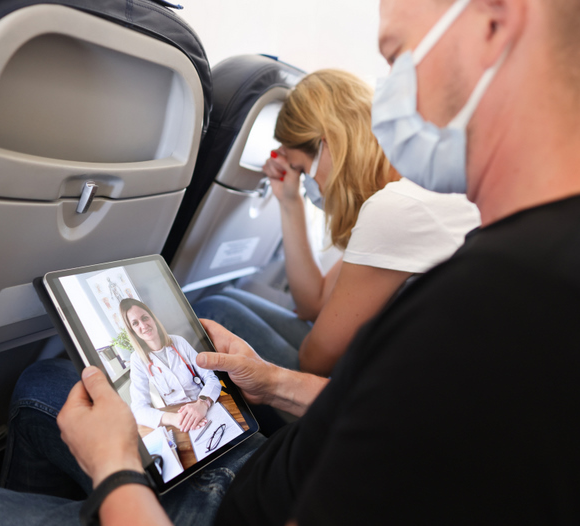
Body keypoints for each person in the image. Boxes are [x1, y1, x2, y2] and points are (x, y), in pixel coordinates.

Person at [0, 0, 580, 526]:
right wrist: (272, 383)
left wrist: (116, 472)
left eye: (398, 55)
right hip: (273, 473)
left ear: (495, 21)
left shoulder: (509, 308)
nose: (390, 92)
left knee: (30, 410)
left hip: (212, 511)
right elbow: (426, 442)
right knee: (56, 394)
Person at [193, 69, 480, 376]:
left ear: (327, 146)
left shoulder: (394, 209)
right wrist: (290, 202)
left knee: (214, 311)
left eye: (303, 170)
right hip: (404, 365)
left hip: (400, 384)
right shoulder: (405, 189)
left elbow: (315, 362)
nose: (307, 183)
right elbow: (313, 304)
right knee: (225, 299)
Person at [121, 298, 221, 432]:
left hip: (205, 406)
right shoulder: (137, 360)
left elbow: (211, 378)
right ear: (132, 330)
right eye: (135, 323)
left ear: (153, 318)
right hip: (180, 419)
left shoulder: (179, 342)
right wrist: (175, 419)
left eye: (145, 318)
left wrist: (202, 403)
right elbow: (139, 409)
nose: (143, 326)